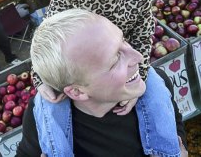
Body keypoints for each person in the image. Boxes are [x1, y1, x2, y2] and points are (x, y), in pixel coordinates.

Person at [17, 9, 188, 157]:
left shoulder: (155, 85)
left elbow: (174, 121)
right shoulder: (43, 119)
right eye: (115, 61)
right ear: (77, 92)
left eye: (123, 40)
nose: (139, 57)